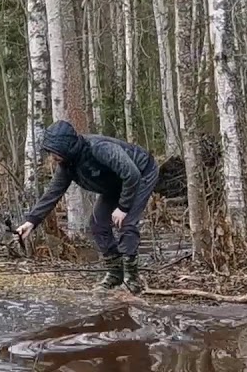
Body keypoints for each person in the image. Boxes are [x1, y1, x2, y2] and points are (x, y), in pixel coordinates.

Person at [16, 120, 159, 295]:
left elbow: (131, 174)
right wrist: (31, 222)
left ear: (67, 147)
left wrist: (123, 207)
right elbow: (53, 193)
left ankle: (132, 280)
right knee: (98, 224)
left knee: (126, 222)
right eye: (50, 151)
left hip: (141, 173)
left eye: (55, 151)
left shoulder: (99, 148)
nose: (52, 157)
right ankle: (115, 274)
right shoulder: (67, 165)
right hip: (116, 183)